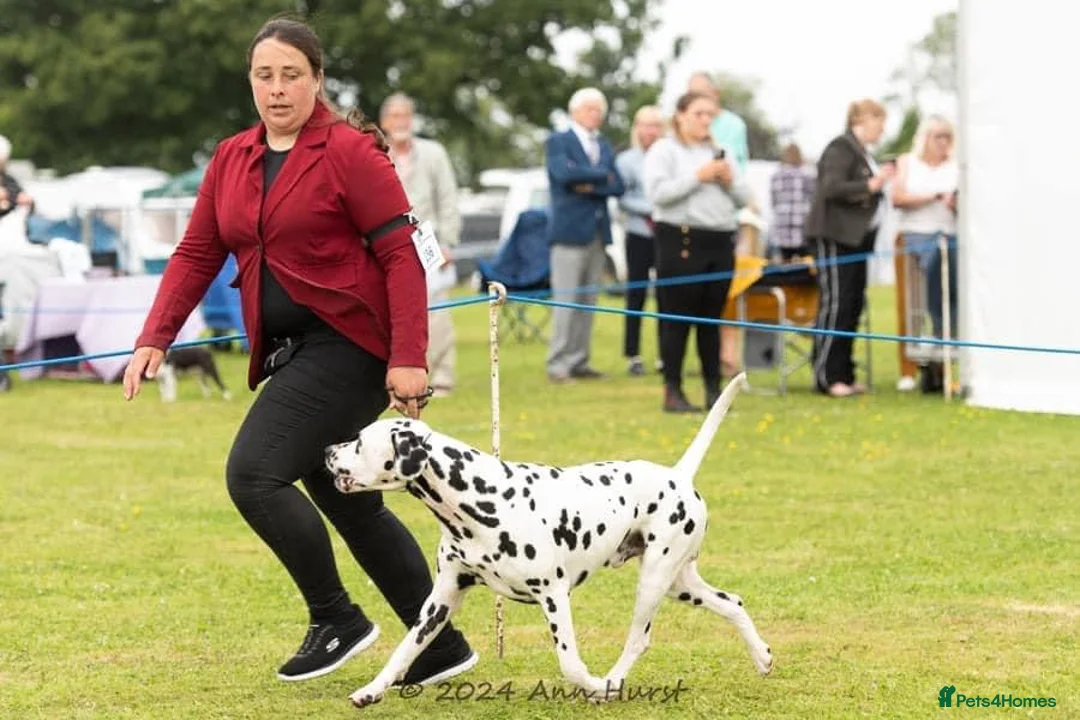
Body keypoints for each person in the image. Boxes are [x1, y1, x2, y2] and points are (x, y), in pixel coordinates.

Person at [121, 16, 476, 685]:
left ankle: (337, 619)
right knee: (346, 497)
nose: (277, 89)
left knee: (253, 474)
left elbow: (402, 256)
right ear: (250, 82)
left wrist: (409, 357)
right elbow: (199, 250)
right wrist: (154, 336)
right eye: (264, 75)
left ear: (317, 79)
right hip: (293, 349)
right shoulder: (231, 157)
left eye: (292, 74)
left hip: (351, 345)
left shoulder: (348, 152)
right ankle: (438, 645)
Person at [643, 91, 749, 413]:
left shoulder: (722, 151)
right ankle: (673, 391)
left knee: (711, 320)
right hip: (681, 241)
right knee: (677, 321)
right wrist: (697, 177)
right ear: (680, 115)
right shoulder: (665, 150)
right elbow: (658, 195)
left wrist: (729, 181)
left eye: (710, 115)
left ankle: (713, 391)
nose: (706, 121)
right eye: (699, 114)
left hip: (718, 242)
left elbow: (744, 198)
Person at [804, 99, 895, 398]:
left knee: (853, 304)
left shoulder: (863, 152)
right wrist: (870, 186)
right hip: (834, 237)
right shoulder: (840, 148)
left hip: (856, 241)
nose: (882, 128)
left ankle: (844, 372)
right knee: (836, 303)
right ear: (861, 119)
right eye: (878, 120)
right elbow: (831, 187)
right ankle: (826, 376)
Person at [380, 92, 462, 398]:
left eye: (406, 116)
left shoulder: (434, 153)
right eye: (395, 116)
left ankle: (441, 377)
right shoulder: (375, 150)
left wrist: (448, 243)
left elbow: (448, 199)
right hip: (389, 244)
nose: (401, 122)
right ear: (385, 121)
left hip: (429, 240)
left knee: (438, 309)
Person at [544, 87, 625, 383]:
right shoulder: (559, 141)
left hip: (598, 232)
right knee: (565, 300)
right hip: (568, 233)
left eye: (598, 110)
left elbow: (618, 186)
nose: (594, 114)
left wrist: (589, 181)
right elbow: (563, 176)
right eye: (589, 108)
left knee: (588, 300)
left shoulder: (602, 145)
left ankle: (579, 360)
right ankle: (558, 363)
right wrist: (602, 174)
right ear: (575, 111)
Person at [891, 114, 958, 394]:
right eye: (937, 136)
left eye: (947, 136)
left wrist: (953, 202)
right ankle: (911, 363)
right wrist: (932, 196)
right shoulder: (908, 162)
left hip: (950, 236)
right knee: (911, 300)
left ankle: (944, 347)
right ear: (925, 138)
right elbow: (897, 197)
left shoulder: (956, 166)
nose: (943, 142)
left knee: (951, 287)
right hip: (914, 235)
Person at [615, 105, 665, 377]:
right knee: (636, 294)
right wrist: (651, 207)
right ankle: (633, 354)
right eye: (645, 125)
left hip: (665, 234)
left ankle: (665, 354)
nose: (650, 131)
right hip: (639, 234)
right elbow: (621, 197)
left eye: (655, 125)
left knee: (667, 294)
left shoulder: (669, 157)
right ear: (637, 128)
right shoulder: (626, 161)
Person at [769, 143, 815, 260]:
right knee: (805, 266)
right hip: (802, 228)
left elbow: (773, 202)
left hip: (782, 229)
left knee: (786, 266)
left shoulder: (775, 176)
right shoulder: (807, 175)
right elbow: (813, 199)